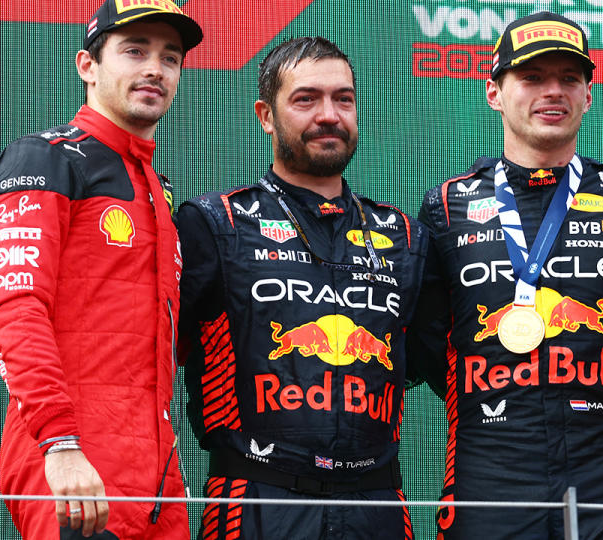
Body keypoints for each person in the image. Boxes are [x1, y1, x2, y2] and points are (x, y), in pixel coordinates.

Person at [407, 11, 603, 539]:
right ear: (494, 92)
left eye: (569, 79)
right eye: (531, 78)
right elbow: (430, 344)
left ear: (588, 96)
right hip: (488, 467)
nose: (553, 92)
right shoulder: (447, 206)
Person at [177, 37, 426, 539]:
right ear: (266, 115)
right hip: (259, 497)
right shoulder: (215, 221)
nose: (329, 115)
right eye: (306, 99)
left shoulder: (405, 234)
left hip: (375, 502)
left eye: (344, 99)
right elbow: (158, 347)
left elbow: (428, 356)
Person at [0, 1, 202, 538]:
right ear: (87, 66)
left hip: (156, 478)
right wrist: (61, 446)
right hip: (74, 463)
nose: (155, 68)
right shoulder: (42, 159)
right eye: (134, 51)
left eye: (170, 58)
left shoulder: (158, 191)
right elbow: (14, 311)